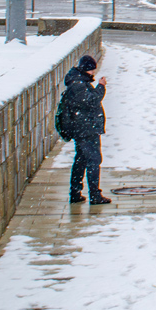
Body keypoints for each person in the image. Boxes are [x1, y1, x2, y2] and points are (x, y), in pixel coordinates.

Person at [62, 55, 111, 205]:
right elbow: (92, 101)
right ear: (87, 69)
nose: (93, 73)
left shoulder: (78, 81)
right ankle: (95, 195)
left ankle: (75, 193)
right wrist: (101, 86)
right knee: (93, 161)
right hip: (86, 130)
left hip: (83, 129)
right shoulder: (78, 85)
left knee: (81, 160)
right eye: (92, 70)